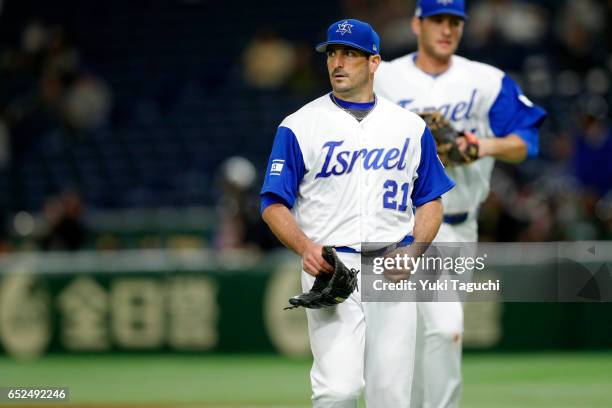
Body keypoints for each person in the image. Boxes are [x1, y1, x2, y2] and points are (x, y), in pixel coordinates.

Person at [260, 18, 455, 408]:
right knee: (338, 390)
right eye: (333, 52)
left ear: (374, 62)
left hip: (392, 266)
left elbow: (431, 199)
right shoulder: (299, 126)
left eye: (351, 53)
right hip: (333, 266)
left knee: (391, 396)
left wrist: (415, 250)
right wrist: (304, 246)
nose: (339, 62)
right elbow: (272, 204)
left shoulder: (409, 127)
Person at [374, 1, 547, 407]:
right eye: (438, 20)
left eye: (455, 21)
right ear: (417, 22)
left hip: (456, 225)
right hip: (395, 225)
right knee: (414, 339)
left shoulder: (485, 80)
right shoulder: (383, 78)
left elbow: (526, 141)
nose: (447, 29)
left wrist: (479, 145)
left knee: (439, 332)